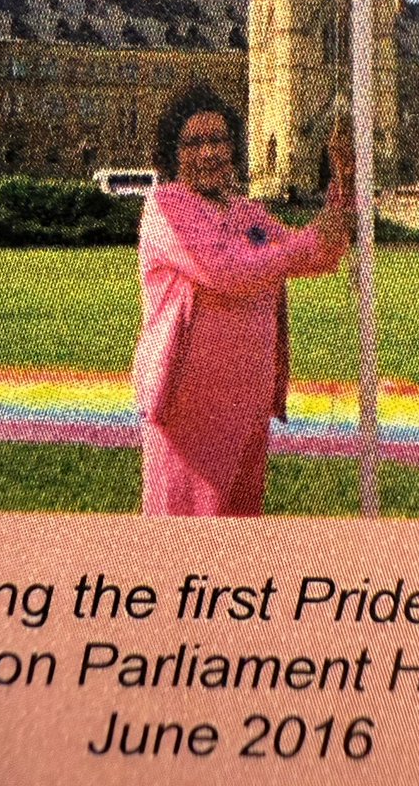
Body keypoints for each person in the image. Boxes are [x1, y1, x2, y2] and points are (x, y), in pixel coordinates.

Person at [133, 85, 354, 517]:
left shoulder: (249, 214)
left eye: (219, 140)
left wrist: (343, 182)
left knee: (238, 531)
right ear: (172, 153)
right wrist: (305, 244)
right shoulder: (166, 207)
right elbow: (223, 269)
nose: (210, 152)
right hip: (190, 408)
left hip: (248, 402)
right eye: (195, 142)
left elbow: (317, 254)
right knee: (185, 535)